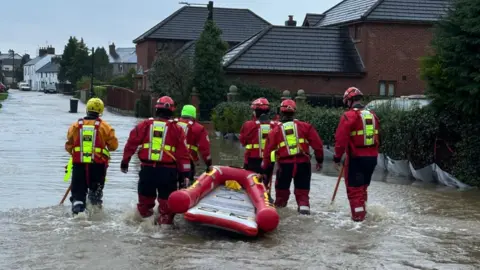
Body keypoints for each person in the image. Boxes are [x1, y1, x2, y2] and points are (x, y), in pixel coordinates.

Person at [120, 96, 191, 225]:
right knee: (166, 207)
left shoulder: (144, 125)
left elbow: (131, 144)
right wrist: (185, 175)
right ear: (172, 111)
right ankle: (163, 230)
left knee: (144, 205)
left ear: (156, 110)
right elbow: (183, 155)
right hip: (167, 172)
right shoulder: (177, 129)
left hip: (147, 171)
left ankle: (144, 226)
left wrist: (125, 162)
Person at [261, 99, 324, 215]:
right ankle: (304, 213)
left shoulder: (275, 131)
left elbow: (267, 154)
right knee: (303, 194)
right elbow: (318, 146)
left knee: (281, 195)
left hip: (285, 166)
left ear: (280, 112)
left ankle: (279, 215)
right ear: (294, 112)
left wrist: (265, 169)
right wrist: (319, 160)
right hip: (303, 165)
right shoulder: (306, 127)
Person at [65, 97, 118, 216]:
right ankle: (94, 216)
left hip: (79, 166)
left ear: (87, 109)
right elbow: (113, 146)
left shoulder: (75, 126)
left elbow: (69, 146)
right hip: (98, 167)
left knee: (78, 195)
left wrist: (79, 156)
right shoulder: (106, 127)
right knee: (95, 196)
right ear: (101, 111)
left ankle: (78, 213)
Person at [333, 87, 380, 222]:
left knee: (354, 190)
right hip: (372, 158)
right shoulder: (372, 115)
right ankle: (363, 212)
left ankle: (358, 220)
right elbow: (378, 137)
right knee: (363, 189)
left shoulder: (348, 116)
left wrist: (337, 157)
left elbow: (341, 139)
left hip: (356, 158)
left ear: (349, 101)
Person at [239, 98, 278, 187]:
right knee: (265, 184)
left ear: (256, 111)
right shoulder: (275, 125)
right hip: (269, 160)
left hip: (252, 159)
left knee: (250, 184)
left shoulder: (248, 125)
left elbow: (243, 141)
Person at [174, 104, 212, 185]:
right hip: (188, 162)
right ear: (194, 115)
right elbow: (205, 150)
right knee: (186, 186)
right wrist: (209, 165)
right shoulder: (198, 128)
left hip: (170, 161)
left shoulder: (172, 124)